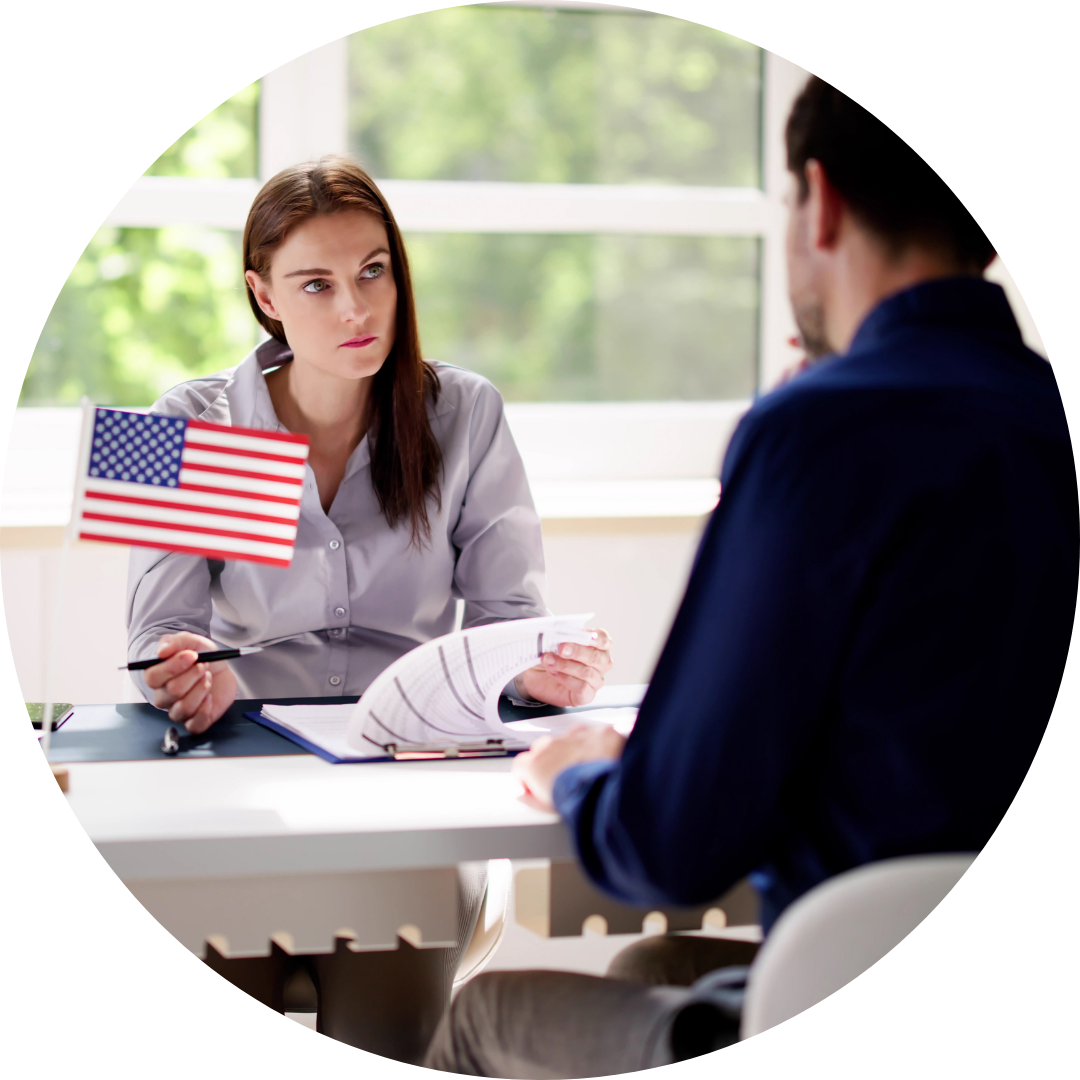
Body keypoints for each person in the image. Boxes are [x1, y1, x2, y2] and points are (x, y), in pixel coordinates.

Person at [421, 74, 1080, 1078]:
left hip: (857, 1033)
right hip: (1022, 1017)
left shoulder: (817, 434)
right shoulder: (1052, 432)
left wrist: (581, 772)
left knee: (482, 1018)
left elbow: (670, 843)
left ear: (820, 201)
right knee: (654, 959)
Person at [124, 156, 614, 1059]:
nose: (356, 310)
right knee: (205, 996)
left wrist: (536, 672)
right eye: (317, 283)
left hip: (406, 783)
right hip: (245, 776)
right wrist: (180, 674)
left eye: (373, 272)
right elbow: (158, 634)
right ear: (263, 295)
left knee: (392, 962)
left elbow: (508, 621)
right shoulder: (189, 423)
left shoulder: (463, 414)